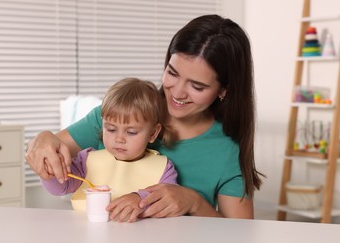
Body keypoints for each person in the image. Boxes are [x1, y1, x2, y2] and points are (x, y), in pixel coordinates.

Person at [26, 14, 264, 219]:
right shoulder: (120, 116)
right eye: (172, 73)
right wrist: (43, 139)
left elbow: (239, 233)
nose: (178, 92)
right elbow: (53, 153)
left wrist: (194, 202)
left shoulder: (226, 150)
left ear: (224, 90)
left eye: (197, 86)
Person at [39, 77, 178, 222]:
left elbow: (167, 203)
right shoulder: (88, 160)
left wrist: (140, 199)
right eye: (111, 129)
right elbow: (60, 187)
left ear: (153, 133)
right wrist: (49, 172)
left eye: (131, 132)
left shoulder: (163, 168)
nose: (119, 139)